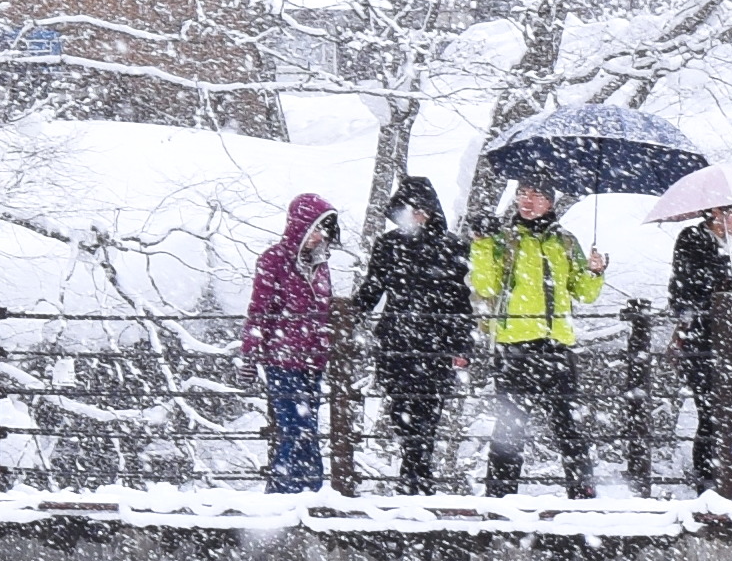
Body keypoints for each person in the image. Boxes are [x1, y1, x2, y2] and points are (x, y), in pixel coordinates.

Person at [466, 177, 608, 498]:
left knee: (569, 428)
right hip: (514, 346)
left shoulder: (565, 242)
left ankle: (583, 500)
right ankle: (499, 503)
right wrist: (481, 243)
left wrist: (596, 272)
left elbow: (583, 294)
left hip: (558, 345)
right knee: (509, 431)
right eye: (522, 194)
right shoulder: (501, 239)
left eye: (536, 195)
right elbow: (485, 287)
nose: (526, 201)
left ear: (550, 201)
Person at [355, 178, 473, 489]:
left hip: (436, 345)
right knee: (401, 413)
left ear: (432, 211)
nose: (416, 216)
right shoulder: (388, 245)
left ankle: (417, 480)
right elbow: (372, 289)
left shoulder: (452, 246)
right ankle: (413, 477)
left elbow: (460, 300)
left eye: (421, 210)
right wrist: (347, 314)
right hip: (397, 343)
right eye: (409, 210)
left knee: (429, 417)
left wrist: (462, 344)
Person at [666, 203, 732, 498]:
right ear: (713, 213)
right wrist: (720, 292)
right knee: (712, 416)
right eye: (731, 214)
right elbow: (682, 292)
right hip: (705, 342)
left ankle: (727, 477)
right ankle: (708, 487)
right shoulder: (692, 239)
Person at [245, 191, 344, 492]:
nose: (319, 236)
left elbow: (323, 310)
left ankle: (304, 491)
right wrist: (250, 354)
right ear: (299, 226)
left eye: (324, 229)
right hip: (283, 359)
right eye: (315, 227)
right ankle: (289, 492)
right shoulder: (274, 260)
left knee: (307, 428)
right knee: (295, 429)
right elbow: (259, 309)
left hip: (313, 361)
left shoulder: (320, 265)